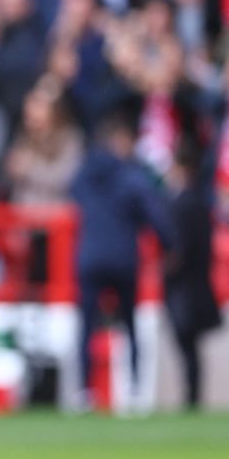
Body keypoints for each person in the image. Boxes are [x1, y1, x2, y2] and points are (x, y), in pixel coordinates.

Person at [70, 114, 174, 412]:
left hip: (88, 257)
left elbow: (72, 193)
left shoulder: (86, 174)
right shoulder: (131, 176)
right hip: (123, 258)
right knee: (129, 325)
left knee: (86, 326)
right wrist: (169, 245)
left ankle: (84, 392)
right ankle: (135, 391)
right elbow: (155, 215)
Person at [162, 142, 221, 410]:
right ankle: (192, 395)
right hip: (196, 282)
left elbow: (179, 246)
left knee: (186, 342)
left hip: (185, 286)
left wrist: (166, 267)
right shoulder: (200, 201)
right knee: (189, 346)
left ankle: (192, 397)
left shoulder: (184, 203)